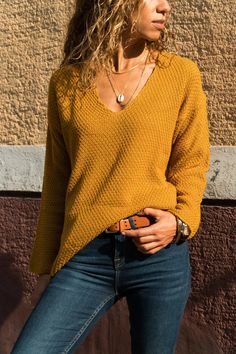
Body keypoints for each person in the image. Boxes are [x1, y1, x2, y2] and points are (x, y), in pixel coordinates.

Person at [11, 0, 211, 353]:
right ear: (114, 4)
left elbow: (191, 164)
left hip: (157, 254)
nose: (166, 7)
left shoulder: (180, 75)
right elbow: (57, 181)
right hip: (86, 255)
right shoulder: (67, 85)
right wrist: (47, 266)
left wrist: (180, 222)